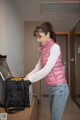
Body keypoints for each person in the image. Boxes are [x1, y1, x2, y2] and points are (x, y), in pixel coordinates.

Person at [24, 21, 69, 120]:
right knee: (53, 116)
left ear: (48, 34)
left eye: (39, 37)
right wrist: (27, 76)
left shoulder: (55, 47)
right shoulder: (44, 49)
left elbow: (47, 69)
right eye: (36, 37)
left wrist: (30, 79)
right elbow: (38, 67)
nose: (37, 40)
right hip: (51, 88)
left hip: (60, 88)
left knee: (54, 118)